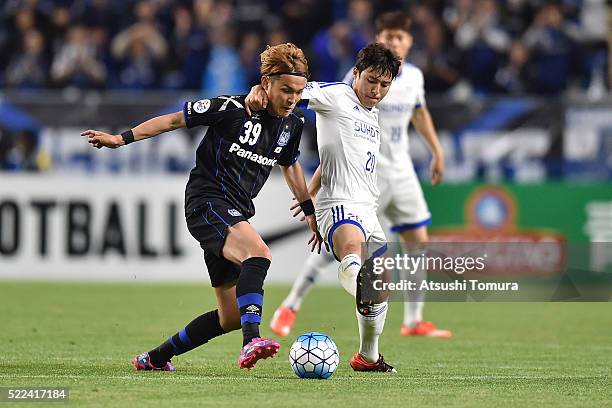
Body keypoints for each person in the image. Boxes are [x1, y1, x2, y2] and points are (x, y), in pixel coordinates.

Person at [81, 43, 322, 371]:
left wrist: (309, 209)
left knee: (230, 316)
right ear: (265, 83)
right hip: (206, 201)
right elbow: (172, 121)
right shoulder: (232, 107)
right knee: (259, 254)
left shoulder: (293, 124)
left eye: (298, 91)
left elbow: (290, 163)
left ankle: (155, 358)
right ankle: (252, 341)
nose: (293, 99)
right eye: (285, 90)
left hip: (234, 213)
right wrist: (120, 139)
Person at [270, 12, 452, 339]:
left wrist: (437, 150)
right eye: (389, 36)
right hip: (358, 184)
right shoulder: (346, 90)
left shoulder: (409, 80)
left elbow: (419, 114)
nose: (378, 89)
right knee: (347, 247)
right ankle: (292, 303)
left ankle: (410, 322)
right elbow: (311, 110)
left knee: (410, 245)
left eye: (401, 37)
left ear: (410, 42)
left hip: (398, 173)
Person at [247, 42, 400, 372]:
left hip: (368, 209)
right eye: (371, 80)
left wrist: (310, 190)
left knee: (383, 282)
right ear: (356, 73)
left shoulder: (373, 116)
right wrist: (258, 92)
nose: (376, 90)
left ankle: (368, 356)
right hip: (340, 205)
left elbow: (334, 158)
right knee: (352, 255)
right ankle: (353, 273)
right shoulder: (337, 96)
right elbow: (293, 91)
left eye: (384, 85)